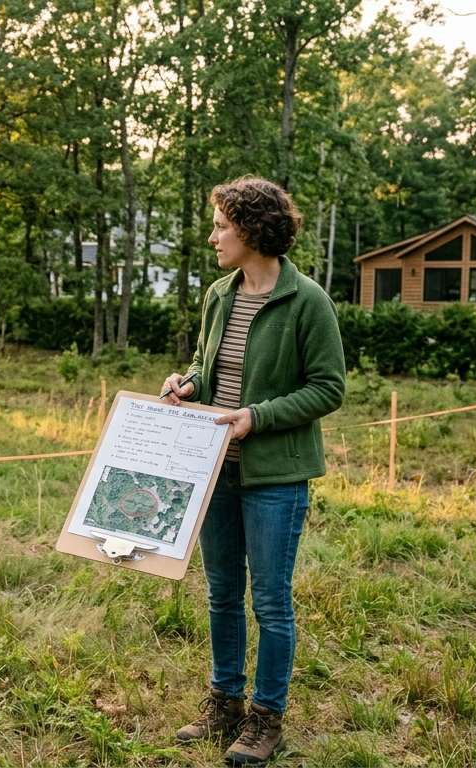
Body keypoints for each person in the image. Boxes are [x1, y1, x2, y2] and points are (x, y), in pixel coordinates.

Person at [160, 176, 345, 764]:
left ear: (251, 230)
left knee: (269, 599)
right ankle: (224, 703)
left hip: (275, 478)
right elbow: (208, 363)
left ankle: (267, 718)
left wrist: (257, 417)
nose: (212, 235)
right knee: (221, 594)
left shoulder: (308, 301)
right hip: (216, 471)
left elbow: (328, 388)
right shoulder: (219, 294)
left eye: (220, 225)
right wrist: (188, 382)